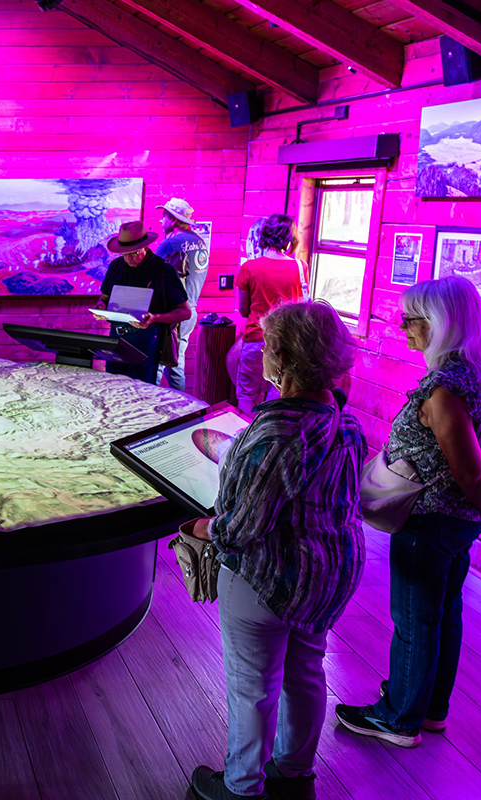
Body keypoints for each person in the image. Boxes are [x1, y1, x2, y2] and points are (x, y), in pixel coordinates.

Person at [185, 301, 365, 800]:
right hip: (326, 577)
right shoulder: (345, 424)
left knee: (252, 685)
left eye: (267, 346)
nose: (261, 353)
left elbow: (239, 529)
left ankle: (241, 788)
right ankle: (294, 776)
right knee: (307, 672)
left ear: (281, 359)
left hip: (268, 580)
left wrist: (200, 526)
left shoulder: (273, 431)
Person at [336, 276, 481, 748]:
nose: (404, 326)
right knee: (444, 612)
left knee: (415, 618)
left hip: (431, 518)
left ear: (440, 324)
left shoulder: (444, 389)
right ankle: (430, 708)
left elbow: (470, 469)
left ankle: (398, 717)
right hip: (459, 522)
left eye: (412, 319)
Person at [94, 220, 191, 385]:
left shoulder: (163, 271)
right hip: (117, 337)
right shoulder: (116, 267)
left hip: (147, 339)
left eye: (133, 253)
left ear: (145, 247)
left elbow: (185, 312)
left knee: (142, 391)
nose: (128, 259)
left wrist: (156, 317)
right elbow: (104, 298)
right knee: (113, 388)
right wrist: (101, 307)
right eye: (124, 254)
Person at [234, 214, 305, 413]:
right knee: (278, 396)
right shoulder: (300, 268)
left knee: (247, 394)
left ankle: (247, 437)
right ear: (291, 238)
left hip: (256, 338)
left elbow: (243, 309)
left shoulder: (249, 268)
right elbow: (301, 307)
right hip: (286, 342)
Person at [154, 198, 209, 392]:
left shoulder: (170, 244)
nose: (161, 221)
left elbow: (150, 274)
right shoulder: (200, 242)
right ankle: (183, 412)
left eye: (164, 216)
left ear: (174, 220)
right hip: (190, 310)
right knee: (176, 365)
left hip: (172, 313)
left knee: (157, 364)